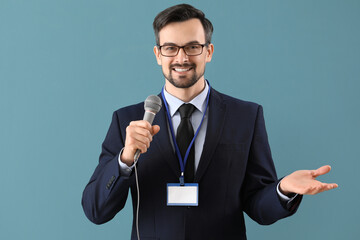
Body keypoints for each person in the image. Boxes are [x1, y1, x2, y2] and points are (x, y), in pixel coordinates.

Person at [82, 4, 338, 240]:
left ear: (209, 51)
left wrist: (282, 189)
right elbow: (96, 211)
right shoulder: (127, 120)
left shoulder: (246, 117)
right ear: (158, 54)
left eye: (193, 47)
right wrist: (124, 160)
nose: (181, 58)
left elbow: (260, 209)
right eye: (170, 48)